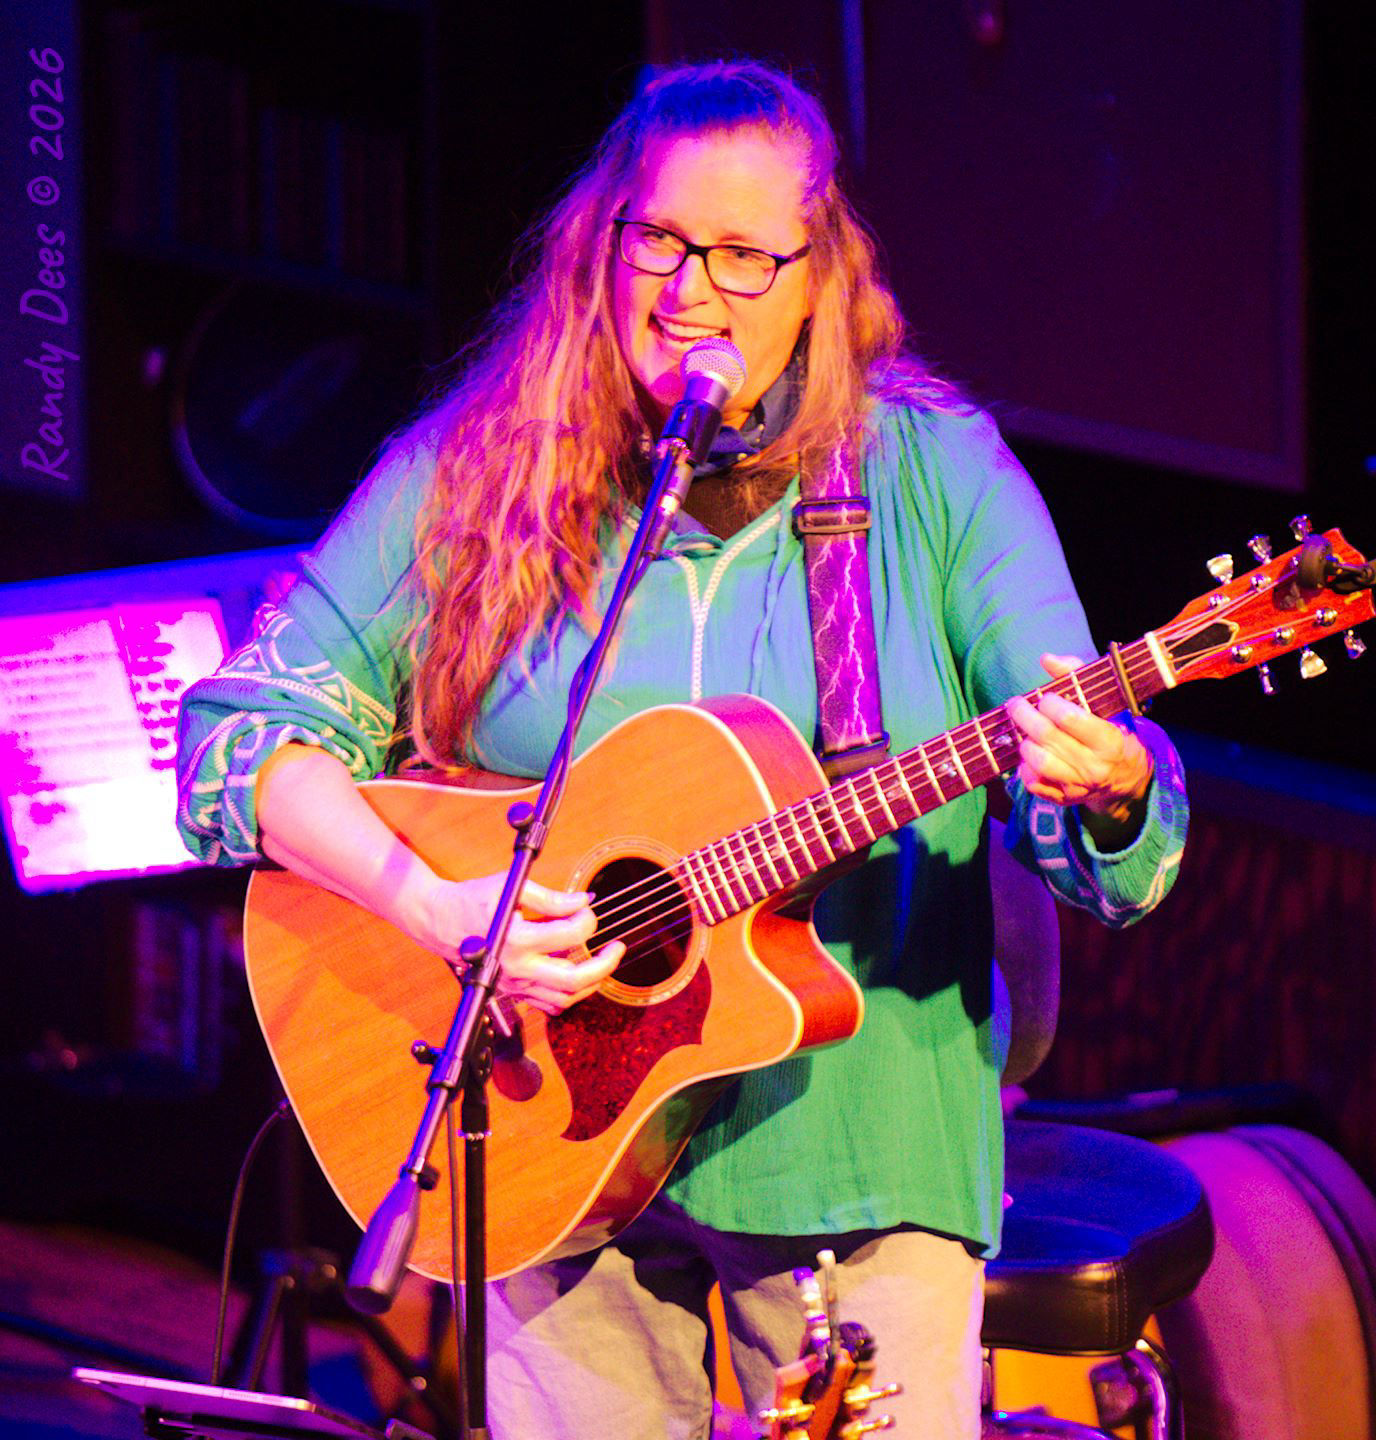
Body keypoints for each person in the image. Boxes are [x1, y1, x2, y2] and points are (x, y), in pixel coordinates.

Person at [176, 60, 1187, 1440]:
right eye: (656, 239)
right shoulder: (483, 471)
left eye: (742, 256)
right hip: (550, 1136)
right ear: (602, 245)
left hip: (854, 1146)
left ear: (819, 275)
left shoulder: (935, 476)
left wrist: (1112, 785)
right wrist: (436, 905)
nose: (688, 291)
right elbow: (239, 736)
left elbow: (1096, 826)